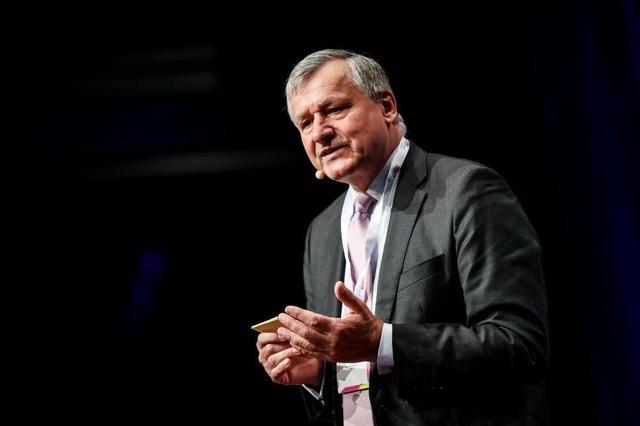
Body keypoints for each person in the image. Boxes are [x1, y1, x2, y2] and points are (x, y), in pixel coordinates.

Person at [256, 49, 549, 425]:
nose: (320, 132)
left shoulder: (466, 191)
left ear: (387, 106)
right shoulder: (322, 230)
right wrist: (319, 373)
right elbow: (357, 381)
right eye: (306, 122)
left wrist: (384, 342)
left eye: (335, 109)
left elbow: (519, 346)